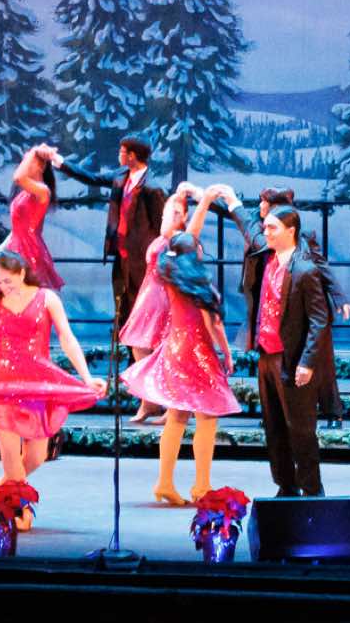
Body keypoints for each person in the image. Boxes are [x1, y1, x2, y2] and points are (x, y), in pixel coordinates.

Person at [0, 251, 105, 529]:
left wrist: (86, 378)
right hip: (3, 384)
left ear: (22, 273)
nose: (2, 287)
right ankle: (18, 511)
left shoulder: (47, 298)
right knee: (11, 458)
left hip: (38, 381)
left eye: (7, 281)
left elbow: (67, 339)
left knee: (36, 456)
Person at [122, 231, 240, 506]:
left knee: (177, 416)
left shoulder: (169, 279)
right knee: (207, 419)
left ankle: (165, 482)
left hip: (174, 349)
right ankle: (202, 485)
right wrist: (226, 353)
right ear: (195, 253)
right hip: (197, 352)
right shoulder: (199, 286)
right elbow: (213, 324)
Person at [243, 207, 337, 497]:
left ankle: (312, 489)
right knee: (274, 427)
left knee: (301, 428)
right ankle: (285, 485)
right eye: (265, 227)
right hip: (266, 355)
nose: (266, 233)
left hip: (292, 357)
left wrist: (307, 362)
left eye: (272, 228)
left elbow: (320, 320)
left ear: (290, 231)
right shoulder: (266, 261)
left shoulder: (305, 270)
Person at [56, 135, 168, 336]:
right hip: (121, 255)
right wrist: (60, 162)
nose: (119, 155)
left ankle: (141, 352)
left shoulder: (152, 187)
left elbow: (161, 229)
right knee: (122, 304)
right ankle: (126, 347)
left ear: (132, 156)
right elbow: (92, 178)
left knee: (141, 305)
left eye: (122, 152)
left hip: (141, 259)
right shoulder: (121, 176)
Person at [117, 184, 207, 424]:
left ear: (186, 216)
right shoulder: (160, 239)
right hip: (149, 299)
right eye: (169, 212)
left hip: (169, 301)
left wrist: (195, 194)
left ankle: (173, 404)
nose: (171, 216)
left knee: (168, 352)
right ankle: (149, 400)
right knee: (138, 346)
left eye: (177, 213)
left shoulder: (184, 241)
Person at [0, 144, 67, 289]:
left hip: (29, 250)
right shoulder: (25, 192)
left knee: (28, 292)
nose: (24, 165)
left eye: (28, 162)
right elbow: (18, 227)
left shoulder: (42, 191)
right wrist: (2, 248)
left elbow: (18, 177)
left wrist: (34, 151)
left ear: (40, 167)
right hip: (15, 248)